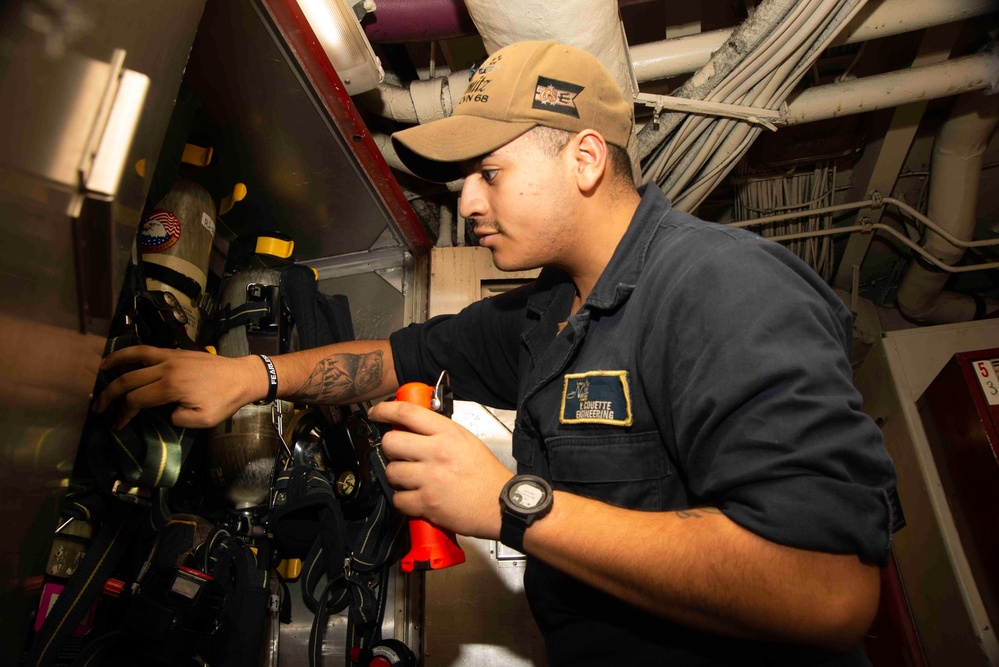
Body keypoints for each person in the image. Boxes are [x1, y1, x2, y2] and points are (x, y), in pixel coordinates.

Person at [96, 41, 897, 666]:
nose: (467, 203)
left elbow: (826, 590)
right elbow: (397, 355)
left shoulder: (719, 286)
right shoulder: (549, 311)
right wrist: (251, 375)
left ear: (585, 159)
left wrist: (512, 504)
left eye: (488, 172)